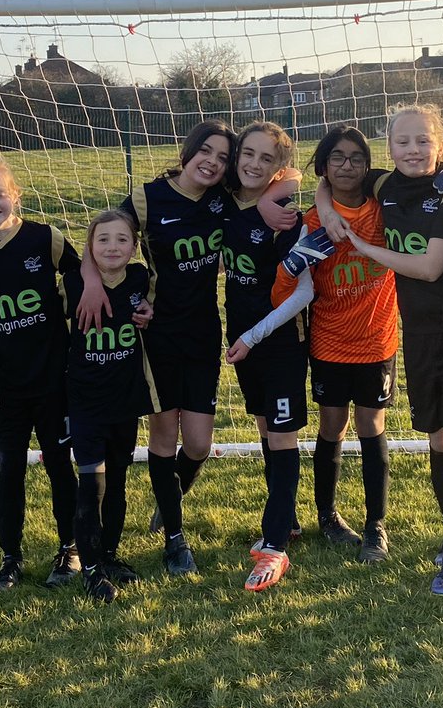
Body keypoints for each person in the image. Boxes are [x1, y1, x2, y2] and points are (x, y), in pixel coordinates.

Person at [75, 121, 297, 577]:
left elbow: (286, 176)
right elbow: (102, 233)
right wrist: (93, 281)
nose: (213, 162)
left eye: (222, 156)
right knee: (163, 435)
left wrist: (279, 198)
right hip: (156, 334)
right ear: (189, 150)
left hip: (202, 332)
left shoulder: (222, 199)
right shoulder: (147, 197)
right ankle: (175, 539)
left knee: (198, 444)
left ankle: (168, 498)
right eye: (207, 152)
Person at [318, 103, 443, 595]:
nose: (413, 151)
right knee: (436, 435)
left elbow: (430, 269)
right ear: (389, 149)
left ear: (442, 145)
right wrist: (325, 209)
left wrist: (366, 250)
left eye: (423, 142)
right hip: (419, 334)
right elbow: (330, 181)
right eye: (403, 142)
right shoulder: (385, 186)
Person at [0, 156, 80, 593]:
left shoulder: (46, 238)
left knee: (61, 465)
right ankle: (10, 557)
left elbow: (83, 279)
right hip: (6, 385)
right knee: (10, 471)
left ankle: (71, 547)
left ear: (15, 196)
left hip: (54, 378)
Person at [273, 125, 399, 563]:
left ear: (368, 164)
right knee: (332, 427)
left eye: (357, 158)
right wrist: (291, 265)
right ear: (324, 166)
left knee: (372, 426)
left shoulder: (386, 210)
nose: (348, 166)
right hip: (329, 343)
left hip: (377, 341)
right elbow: (286, 294)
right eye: (338, 158)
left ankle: (375, 526)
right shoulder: (309, 223)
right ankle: (327, 515)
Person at [222, 122, 315, 591]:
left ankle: (274, 544)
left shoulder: (286, 214)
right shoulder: (223, 203)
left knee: (282, 436)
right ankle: (289, 516)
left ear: (280, 168)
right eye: (248, 154)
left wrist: (254, 337)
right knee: (264, 427)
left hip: (277, 341)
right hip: (243, 339)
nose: (255, 165)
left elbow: (302, 294)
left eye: (267, 159)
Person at [63, 209, 159, 602]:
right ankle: (89, 569)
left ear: (134, 246)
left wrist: (149, 313)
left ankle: (109, 556)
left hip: (125, 399)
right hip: (85, 402)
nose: (112, 246)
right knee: (93, 485)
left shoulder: (139, 278)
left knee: (118, 481)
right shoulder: (72, 284)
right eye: (102, 239)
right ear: (90, 247)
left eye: (122, 239)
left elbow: (155, 306)